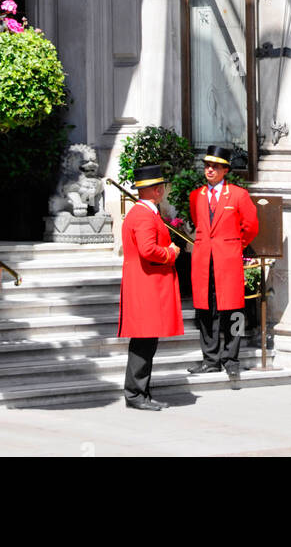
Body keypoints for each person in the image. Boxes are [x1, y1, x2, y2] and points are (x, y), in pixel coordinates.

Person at [187, 144, 259, 383]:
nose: (209, 170)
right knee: (205, 311)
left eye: (215, 167)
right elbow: (199, 223)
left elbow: (250, 227)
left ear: (225, 170)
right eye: (207, 166)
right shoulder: (196, 195)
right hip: (203, 261)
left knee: (233, 311)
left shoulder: (238, 195)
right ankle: (210, 360)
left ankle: (231, 359)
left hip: (227, 261)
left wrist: (233, 245)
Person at [118, 164, 183, 410]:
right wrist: (171, 252)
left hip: (144, 283)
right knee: (144, 341)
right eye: (162, 187)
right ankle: (136, 394)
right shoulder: (144, 215)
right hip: (147, 284)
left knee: (146, 341)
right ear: (157, 190)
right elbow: (147, 250)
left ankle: (140, 393)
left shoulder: (143, 212)